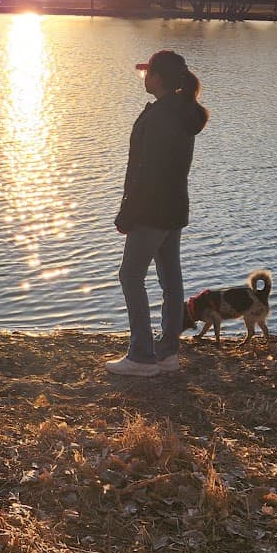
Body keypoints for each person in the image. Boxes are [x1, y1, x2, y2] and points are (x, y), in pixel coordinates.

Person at [107, 48, 209, 377]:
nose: (144, 78)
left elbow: (147, 169)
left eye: (148, 73)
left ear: (160, 79)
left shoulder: (163, 115)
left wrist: (128, 211)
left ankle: (141, 356)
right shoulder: (180, 110)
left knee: (131, 275)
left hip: (152, 208)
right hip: (174, 206)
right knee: (170, 280)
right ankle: (167, 353)